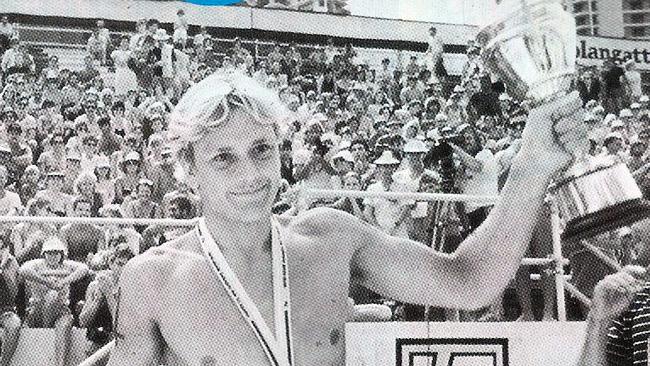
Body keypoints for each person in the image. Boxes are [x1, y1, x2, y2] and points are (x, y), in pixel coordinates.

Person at [107, 71, 586, 365]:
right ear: (189, 171)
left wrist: (531, 165)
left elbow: (469, 281)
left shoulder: (329, 238)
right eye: (223, 158)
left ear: (280, 152)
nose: (250, 174)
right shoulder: (154, 279)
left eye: (260, 150)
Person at [20, 237, 89, 366]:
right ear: (44, 254)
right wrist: (46, 282)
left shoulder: (67, 265)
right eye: (49, 252)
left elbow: (84, 268)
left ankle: (60, 364)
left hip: (60, 311)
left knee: (64, 323)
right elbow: (23, 270)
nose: (53, 256)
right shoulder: (37, 264)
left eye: (56, 252)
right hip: (37, 309)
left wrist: (64, 281)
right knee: (51, 294)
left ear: (61, 254)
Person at [79, 244, 134, 363]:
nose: (123, 268)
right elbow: (83, 322)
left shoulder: (133, 289)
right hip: (97, 340)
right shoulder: (95, 285)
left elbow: (122, 325)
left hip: (121, 343)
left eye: (127, 265)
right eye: (120, 264)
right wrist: (97, 301)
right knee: (92, 347)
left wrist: (108, 294)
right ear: (111, 264)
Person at [0, 236, 20, 366]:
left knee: (14, 324)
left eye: (1, 248)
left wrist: (2, 269)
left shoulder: (10, 262)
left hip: (4, 310)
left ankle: (3, 364)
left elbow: (13, 294)